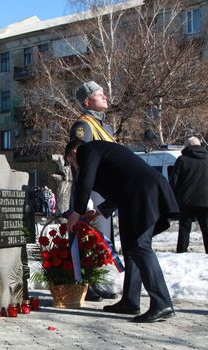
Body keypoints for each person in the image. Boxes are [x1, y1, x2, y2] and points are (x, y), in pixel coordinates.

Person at [65, 139, 178, 323]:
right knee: (131, 249)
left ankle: (162, 303)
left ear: (74, 153)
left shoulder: (87, 149)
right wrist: (99, 211)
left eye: (71, 162)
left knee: (140, 246)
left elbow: (87, 179)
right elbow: (121, 182)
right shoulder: (103, 152)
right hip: (136, 194)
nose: (75, 167)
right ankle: (130, 301)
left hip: (142, 193)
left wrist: (77, 212)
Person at [68, 81, 117, 302]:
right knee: (90, 238)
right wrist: (84, 198)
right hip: (91, 193)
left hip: (106, 192)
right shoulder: (83, 126)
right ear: (88, 101)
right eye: (99, 94)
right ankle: (87, 283)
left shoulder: (106, 127)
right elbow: (80, 163)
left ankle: (98, 280)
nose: (105, 97)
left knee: (103, 239)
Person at [170, 137, 208, 254]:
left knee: (184, 229)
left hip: (186, 201)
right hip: (207, 201)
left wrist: (173, 199)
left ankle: (182, 252)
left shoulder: (182, 160)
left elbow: (174, 182)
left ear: (187, 146)